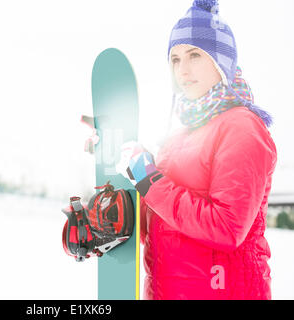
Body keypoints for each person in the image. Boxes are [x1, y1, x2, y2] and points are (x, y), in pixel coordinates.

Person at [118, 0, 277, 299]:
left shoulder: (243, 127)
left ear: (222, 63)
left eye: (194, 56)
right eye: (175, 59)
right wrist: (113, 216)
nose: (183, 70)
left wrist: (150, 180)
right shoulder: (178, 136)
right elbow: (162, 218)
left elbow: (227, 227)